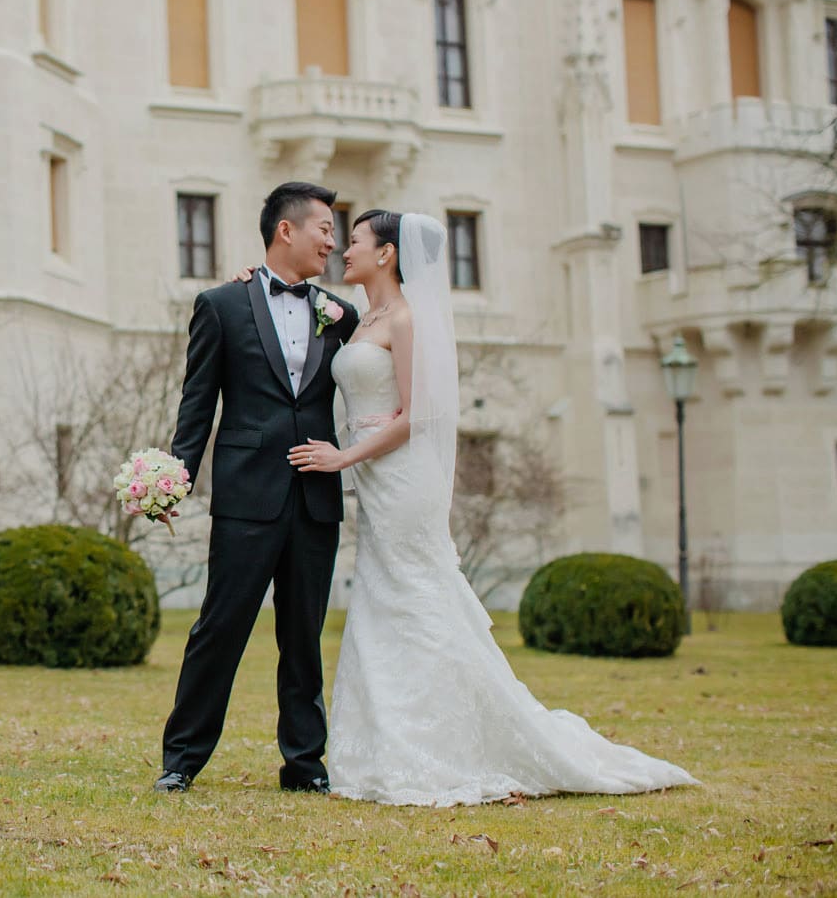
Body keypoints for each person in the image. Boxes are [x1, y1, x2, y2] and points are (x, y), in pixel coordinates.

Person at [287, 209, 698, 805]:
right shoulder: (359, 316)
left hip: (401, 478)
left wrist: (342, 459)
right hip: (377, 481)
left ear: (387, 254)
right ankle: (387, 743)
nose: (342, 250)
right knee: (385, 597)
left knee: (414, 595)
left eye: (354, 241)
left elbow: (417, 415)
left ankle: (441, 743)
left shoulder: (404, 318)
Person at [153, 182, 360, 795]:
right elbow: (198, 406)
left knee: (304, 637)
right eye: (323, 226)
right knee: (220, 628)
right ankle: (181, 761)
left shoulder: (340, 313)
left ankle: (305, 766)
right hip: (246, 496)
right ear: (285, 231)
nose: (332, 238)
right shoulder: (221, 304)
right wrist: (173, 481)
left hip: (316, 497)